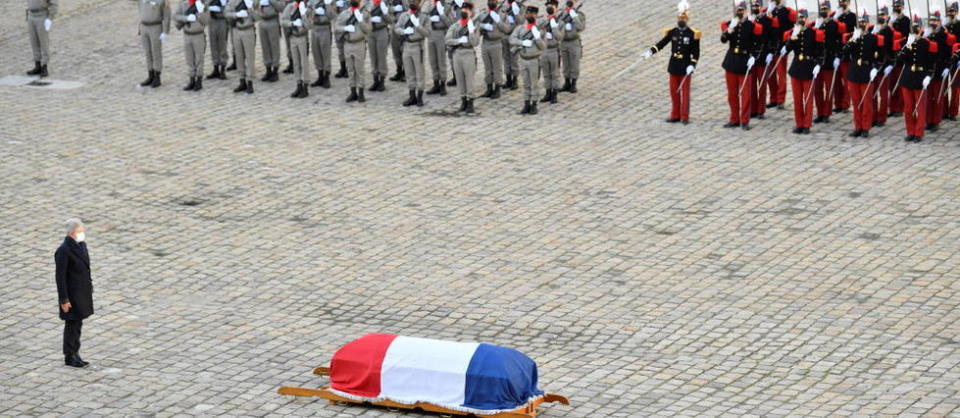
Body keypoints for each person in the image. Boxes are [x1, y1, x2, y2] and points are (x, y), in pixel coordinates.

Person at [640, 0, 700, 124]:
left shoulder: (692, 34)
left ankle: (684, 116)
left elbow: (696, 52)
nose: (681, 20)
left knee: (685, 92)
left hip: (685, 65)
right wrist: (650, 52)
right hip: (674, 65)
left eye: (683, 18)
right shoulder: (673, 32)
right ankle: (675, 114)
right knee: (674, 91)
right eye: (679, 17)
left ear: (687, 19)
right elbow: (662, 43)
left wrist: (692, 65)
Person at [55, 219, 94, 369]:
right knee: (72, 325)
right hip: (71, 295)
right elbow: (60, 277)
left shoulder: (81, 246)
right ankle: (70, 355)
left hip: (81, 293)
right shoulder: (64, 251)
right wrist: (64, 299)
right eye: (80, 232)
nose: (82, 234)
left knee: (78, 324)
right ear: (72, 233)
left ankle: (76, 352)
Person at [720, 1, 762, 130]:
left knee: (745, 94)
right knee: (732, 93)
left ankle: (745, 120)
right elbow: (723, 40)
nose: (740, 12)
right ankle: (734, 119)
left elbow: (758, 44)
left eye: (742, 10)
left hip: (744, 61)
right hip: (732, 60)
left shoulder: (751, 26)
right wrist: (729, 29)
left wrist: (754, 57)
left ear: (746, 11)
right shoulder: (729, 24)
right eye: (738, 10)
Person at [842, 9, 883, 137]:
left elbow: (880, 56)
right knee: (856, 101)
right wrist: (853, 38)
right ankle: (857, 126)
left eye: (864, 22)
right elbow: (844, 51)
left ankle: (866, 127)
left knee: (866, 102)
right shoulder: (852, 37)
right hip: (854, 72)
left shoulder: (872, 38)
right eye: (860, 22)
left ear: (867, 24)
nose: (862, 25)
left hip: (867, 71)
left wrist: (876, 68)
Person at [896, 15, 936, 142]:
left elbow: (931, 63)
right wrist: (907, 46)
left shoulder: (927, 43)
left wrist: (928, 76)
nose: (914, 29)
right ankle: (910, 131)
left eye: (917, 27)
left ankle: (919, 132)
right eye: (913, 27)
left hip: (920, 77)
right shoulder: (906, 43)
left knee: (920, 107)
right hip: (907, 77)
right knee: (908, 107)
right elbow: (899, 59)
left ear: (921, 28)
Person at [785, 8, 824, 134]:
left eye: (803, 18)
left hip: (809, 67)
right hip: (796, 68)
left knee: (808, 99)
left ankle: (807, 124)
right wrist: (793, 37)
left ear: (806, 18)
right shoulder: (794, 33)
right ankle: (799, 123)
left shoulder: (814, 33)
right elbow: (787, 49)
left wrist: (818, 64)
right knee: (797, 99)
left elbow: (820, 52)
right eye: (799, 18)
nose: (801, 20)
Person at [923, 7, 956, 132]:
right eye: (931, 20)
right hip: (927, 69)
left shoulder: (944, 34)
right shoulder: (927, 33)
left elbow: (950, 51)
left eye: (935, 21)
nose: (933, 23)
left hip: (940, 68)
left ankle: (935, 121)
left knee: (937, 97)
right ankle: (928, 120)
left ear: (939, 21)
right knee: (928, 96)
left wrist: (948, 66)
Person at [813, 0, 845, 124]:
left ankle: (826, 113)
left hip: (829, 59)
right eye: (822, 9)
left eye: (825, 9)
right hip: (817, 60)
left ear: (830, 10)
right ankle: (819, 112)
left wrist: (838, 56)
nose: (823, 12)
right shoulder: (815, 24)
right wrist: (816, 26)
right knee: (817, 89)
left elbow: (840, 42)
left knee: (828, 87)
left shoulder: (835, 24)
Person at [445, 1, 480, 112]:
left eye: (467, 11)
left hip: (468, 53)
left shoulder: (474, 26)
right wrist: (458, 41)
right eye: (463, 10)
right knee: (460, 79)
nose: (464, 12)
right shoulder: (455, 26)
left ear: (471, 12)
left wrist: (470, 31)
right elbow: (447, 40)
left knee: (469, 79)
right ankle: (463, 100)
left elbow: (475, 42)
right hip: (457, 54)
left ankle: (470, 101)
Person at [509, 5, 545, 114]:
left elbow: (543, 47)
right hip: (523, 59)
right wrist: (522, 43)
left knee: (534, 83)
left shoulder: (540, 30)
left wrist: (537, 37)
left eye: (532, 14)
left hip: (534, 59)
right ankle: (526, 103)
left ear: (536, 15)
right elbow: (512, 39)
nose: (529, 15)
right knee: (525, 83)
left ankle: (534, 104)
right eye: (528, 13)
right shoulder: (520, 28)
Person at [335, 1, 372, 102]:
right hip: (348, 44)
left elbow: (368, 30)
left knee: (359, 69)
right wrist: (345, 28)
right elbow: (336, 27)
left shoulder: (365, 14)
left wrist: (360, 20)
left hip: (359, 43)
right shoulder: (344, 14)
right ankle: (353, 92)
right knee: (350, 69)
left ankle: (361, 92)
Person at [765, 0, 796, 110]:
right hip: (769, 47)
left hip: (780, 46)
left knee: (781, 74)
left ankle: (780, 99)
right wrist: (768, 13)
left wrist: (786, 45)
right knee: (769, 74)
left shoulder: (787, 12)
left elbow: (791, 29)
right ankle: (773, 98)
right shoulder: (767, 11)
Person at [396, 0, 428, 105]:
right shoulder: (404, 15)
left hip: (417, 46)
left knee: (419, 72)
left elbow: (427, 33)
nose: (414, 3)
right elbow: (397, 28)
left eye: (416, 1)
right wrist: (404, 31)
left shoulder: (424, 17)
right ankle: (412, 96)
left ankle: (419, 97)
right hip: (406, 45)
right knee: (409, 72)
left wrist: (418, 25)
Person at [174, 0, 210, 91]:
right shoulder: (183, 4)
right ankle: (191, 79)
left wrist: (200, 12)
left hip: (198, 34)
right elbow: (175, 16)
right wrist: (186, 18)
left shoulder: (203, 5)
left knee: (199, 59)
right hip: (187, 35)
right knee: (189, 58)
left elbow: (206, 21)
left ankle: (199, 80)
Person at [749, 0, 776, 120]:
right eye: (754, 5)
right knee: (751, 85)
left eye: (757, 6)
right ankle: (753, 109)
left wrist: (771, 52)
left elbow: (772, 38)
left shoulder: (767, 20)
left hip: (763, 55)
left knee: (762, 85)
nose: (755, 7)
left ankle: (761, 110)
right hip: (750, 56)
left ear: (761, 7)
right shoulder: (748, 21)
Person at [226, 0, 261, 93]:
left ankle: (250, 82)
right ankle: (242, 81)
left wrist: (250, 8)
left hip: (248, 30)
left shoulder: (253, 1)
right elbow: (226, 13)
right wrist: (236, 15)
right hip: (236, 30)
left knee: (250, 57)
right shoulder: (233, 2)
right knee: (239, 57)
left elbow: (258, 17)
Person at [476, 0, 508, 99]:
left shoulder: (502, 15)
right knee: (488, 67)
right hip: (485, 42)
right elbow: (475, 24)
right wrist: (483, 26)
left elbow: (506, 29)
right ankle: (489, 88)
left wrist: (498, 21)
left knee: (497, 67)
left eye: (493, 1)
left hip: (496, 43)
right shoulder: (483, 14)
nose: (491, 2)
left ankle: (497, 89)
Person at [872, 4, 897, 128]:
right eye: (879, 14)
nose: (881, 17)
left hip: (884, 64)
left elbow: (892, 50)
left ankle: (881, 117)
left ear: (888, 16)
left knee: (882, 93)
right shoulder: (874, 29)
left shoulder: (889, 31)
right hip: (873, 65)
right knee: (872, 93)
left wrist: (891, 64)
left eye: (883, 14)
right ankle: (873, 116)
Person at [282, 0, 314, 97]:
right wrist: (292, 23)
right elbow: (283, 21)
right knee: (296, 62)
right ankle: (298, 84)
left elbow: (309, 25)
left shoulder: (308, 9)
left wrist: (303, 14)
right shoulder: (290, 7)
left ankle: (305, 86)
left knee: (304, 63)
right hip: (293, 37)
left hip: (302, 38)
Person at [139, 0, 172, 88]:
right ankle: (150, 74)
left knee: (156, 52)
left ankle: (157, 76)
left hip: (155, 26)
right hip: (144, 26)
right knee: (148, 52)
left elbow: (167, 15)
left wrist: (165, 31)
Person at [537, 0, 565, 105]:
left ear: (556, 8)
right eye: (548, 6)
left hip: (554, 50)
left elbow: (560, 37)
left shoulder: (560, 23)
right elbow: (536, 33)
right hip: (544, 50)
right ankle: (548, 92)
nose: (550, 8)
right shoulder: (542, 20)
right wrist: (543, 31)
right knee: (546, 73)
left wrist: (553, 28)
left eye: (552, 6)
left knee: (554, 73)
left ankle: (554, 94)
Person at [365, 0, 396, 92]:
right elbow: (362, 17)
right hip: (371, 32)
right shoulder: (368, 3)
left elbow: (391, 21)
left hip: (381, 30)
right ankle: (375, 80)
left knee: (381, 56)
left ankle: (382, 80)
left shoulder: (385, 4)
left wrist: (385, 13)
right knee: (373, 56)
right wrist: (369, 19)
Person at [833, 0, 856, 113]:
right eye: (840, 1)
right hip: (834, 52)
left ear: (849, 2)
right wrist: (834, 18)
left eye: (844, 1)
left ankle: (845, 104)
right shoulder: (834, 15)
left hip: (845, 53)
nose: (842, 2)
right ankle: (837, 103)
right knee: (836, 81)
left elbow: (852, 33)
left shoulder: (852, 16)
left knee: (846, 80)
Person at [423, 0, 452, 94]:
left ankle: (442, 84)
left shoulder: (447, 7)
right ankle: (436, 83)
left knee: (441, 60)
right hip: (431, 33)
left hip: (440, 33)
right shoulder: (430, 5)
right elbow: (424, 15)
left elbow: (450, 24)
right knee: (433, 60)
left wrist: (441, 15)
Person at [307, 0, 337, 88]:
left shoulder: (331, 1)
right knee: (316, 52)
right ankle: (320, 76)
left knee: (325, 53)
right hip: (315, 27)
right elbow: (307, 13)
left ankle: (326, 77)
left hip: (325, 27)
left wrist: (327, 5)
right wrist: (313, 11)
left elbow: (332, 16)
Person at [888, 0, 910, 116]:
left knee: (899, 82)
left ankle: (900, 108)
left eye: (898, 6)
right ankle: (892, 107)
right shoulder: (889, 20)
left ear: (903, 7)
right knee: (891, 83)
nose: (896, 8)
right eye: (895, 6)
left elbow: (907, 37)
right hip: (889, 55)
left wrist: (899, 45)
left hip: (899, 54)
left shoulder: (906, 20)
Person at [25, 0, 58, 77]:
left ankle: (44, 66)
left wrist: (50, 18)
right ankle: (37, 65)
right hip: (31, 15)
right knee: (34, 42)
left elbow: (54, 5)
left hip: (41, 16)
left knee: (44, 43)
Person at [558, 0, 584, 93]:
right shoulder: (562, 13)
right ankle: (567, 82)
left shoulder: (579, 14)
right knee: (565, 63)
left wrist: (574, 17)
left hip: (574, 41)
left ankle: (573, 83)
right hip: (564, 41)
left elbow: (581, 27)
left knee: (574, 63)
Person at [256, 0, 285, 82]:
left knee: (274, 46)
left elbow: (282, 7)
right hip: (262, 21)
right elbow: (254, 5)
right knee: (265, 46)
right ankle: (268, 69)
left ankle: (275, 71)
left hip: (272, 21)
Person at [499, 0, 522, 90]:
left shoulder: (519, 7)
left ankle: (515, 79)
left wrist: (516, 13)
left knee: (514, 58)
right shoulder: (502, 6)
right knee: (506, 57)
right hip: (504, 35)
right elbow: (499, 19)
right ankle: (508, 79)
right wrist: (505, 16)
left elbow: (521, 21)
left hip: (514, 35)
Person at [206, 0, 231, 79]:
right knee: (213, 44)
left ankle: (223, 68)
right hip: (212, 20)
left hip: (222, 20)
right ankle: (215, 67)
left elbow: (229, 7)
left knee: (222, 44)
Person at [388, 0, 410, 82]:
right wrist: (393, 8)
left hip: (403, 26)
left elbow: (410, 8)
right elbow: (384, 9)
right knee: (395, 49)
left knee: (403, 50)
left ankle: (406, 72)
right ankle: (399, 71)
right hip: (393, 25)